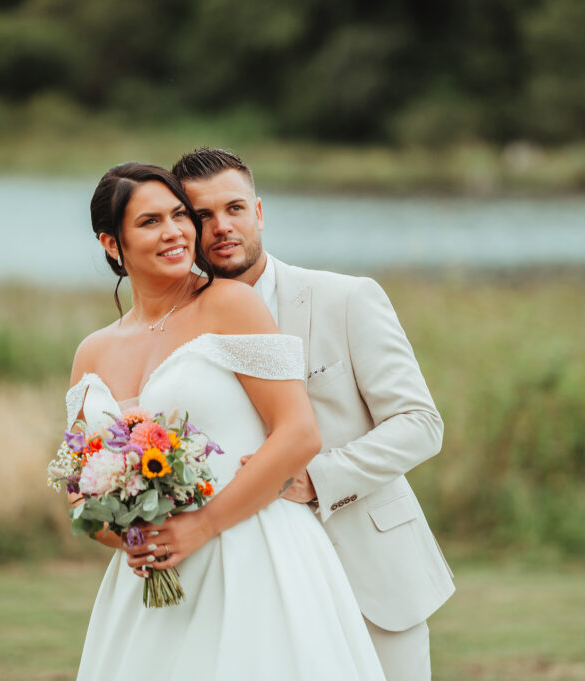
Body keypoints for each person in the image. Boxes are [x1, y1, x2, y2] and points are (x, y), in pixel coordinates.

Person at [137, 148, 456, 681]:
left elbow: (421, 424)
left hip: (364, 566)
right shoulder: (174, 331)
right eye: (201, 216)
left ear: (259, 212)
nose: (221, 227)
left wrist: (317, 478)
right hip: (243, 581)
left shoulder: (345, 298)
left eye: (235, 208)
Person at [66, 162, 386, 680]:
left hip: (253, 554)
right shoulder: (92, 352)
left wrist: (202, 525)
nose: (174, 232)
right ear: (111, 243)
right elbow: (80, 487)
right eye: (149, 222)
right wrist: (133, 538)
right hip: (154, 574)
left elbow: (299, 432)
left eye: (178, 215)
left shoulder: (230, 304)